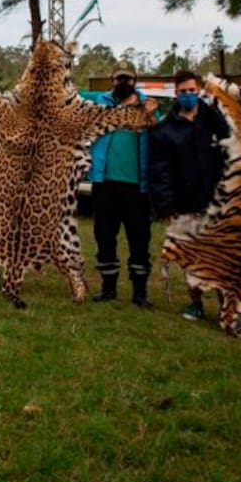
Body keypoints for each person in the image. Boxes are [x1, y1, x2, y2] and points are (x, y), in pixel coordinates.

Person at [148, 69, 230, 321]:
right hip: (185, 203)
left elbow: (231, 142)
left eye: (192, 91)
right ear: (176, 93)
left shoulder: (211, 119)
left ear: (198, 91)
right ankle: (195, 303)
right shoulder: (165, 130)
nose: (188, 95)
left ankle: (226, 305)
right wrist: (165, 207)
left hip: (216, 201)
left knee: (221, 256)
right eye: (183, 92)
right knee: (191, 257)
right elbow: (160, 172)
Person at [84, 62, 160, 306]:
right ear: (112, 80)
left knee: (139, 239)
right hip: (104, 183)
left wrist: (151, 115)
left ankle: (140, 292)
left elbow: (158, 135)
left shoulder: (148, 106)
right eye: (119, 79)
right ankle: (108, 288)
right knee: (104, 236)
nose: (123, 83)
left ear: (135, 81)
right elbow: (69, 94)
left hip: (137, 187)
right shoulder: (100, 101)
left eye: (128, 79)